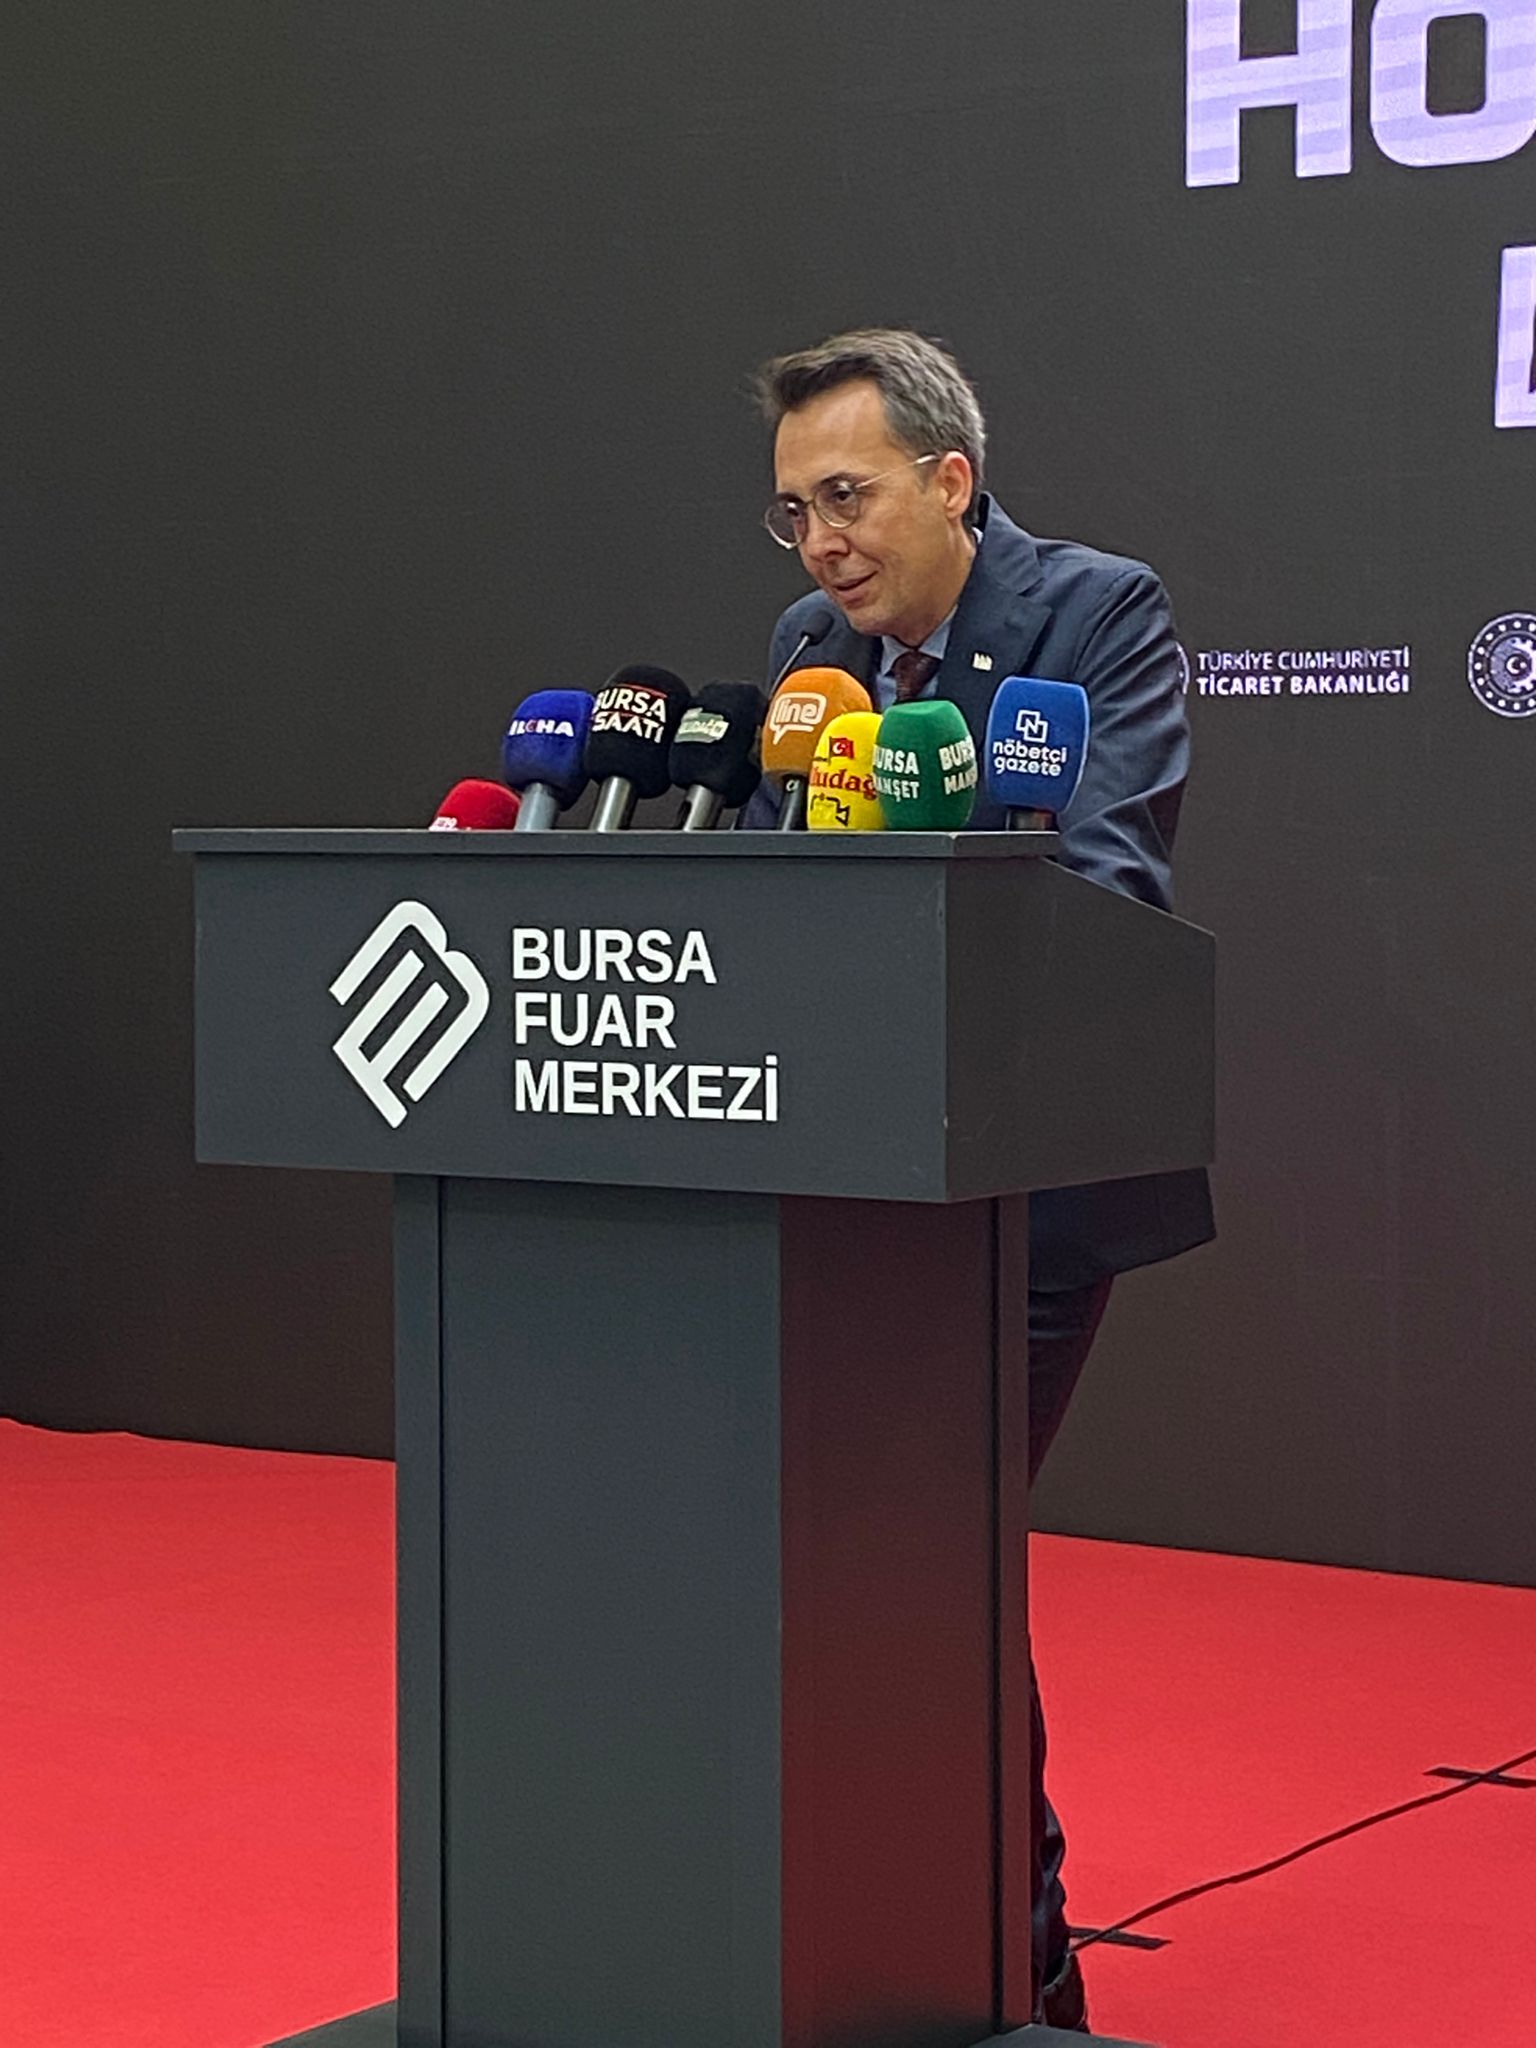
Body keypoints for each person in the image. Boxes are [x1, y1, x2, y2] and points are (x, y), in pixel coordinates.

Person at [740, 328, 1214, 2032]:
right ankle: (863, 1938)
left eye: (848, 497)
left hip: (1021, 1186)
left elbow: (1103, 876)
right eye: (794, 512)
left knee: (925, 1545)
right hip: (835, 1189)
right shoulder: (808, 654)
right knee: (856, 1559)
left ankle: (1020, 1963)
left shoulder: (1097, 615)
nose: (821, 545)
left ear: (950, 481)